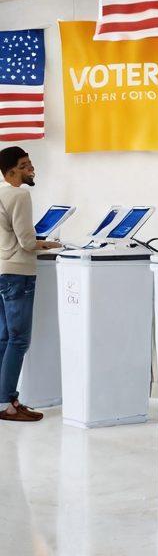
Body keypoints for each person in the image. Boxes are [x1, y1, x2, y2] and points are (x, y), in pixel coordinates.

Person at [0, 147, 61, 423]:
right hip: (18, 273)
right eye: (24, 166)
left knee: (3, 338)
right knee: (19, 339)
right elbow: (26, 242)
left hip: (2, 270)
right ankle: (10, 403)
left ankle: (2, 401)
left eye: (30, 163)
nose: (31, 169)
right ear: (11, 172)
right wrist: (49, 244)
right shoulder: (20, 194)